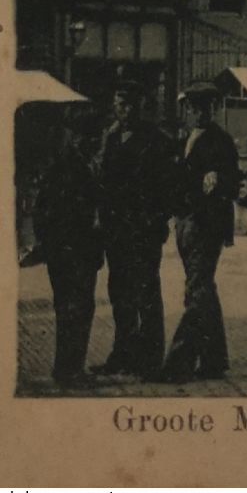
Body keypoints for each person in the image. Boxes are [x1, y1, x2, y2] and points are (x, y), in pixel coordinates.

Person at [93, 76, 176, 378]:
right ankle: (123, 354)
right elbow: (103, 182)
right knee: (120, 294)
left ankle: (151, 360)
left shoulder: (158, 141)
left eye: (127, 105)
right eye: (117, 105)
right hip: (116, 231)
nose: (122, 111)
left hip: (143, 232)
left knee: (146, 294)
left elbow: (168, 190)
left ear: (140, 106)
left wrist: (155, 220)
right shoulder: (111, 138)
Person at [160, 82, 242, 383]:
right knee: (204, 289)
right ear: (187, 110)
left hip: (207, 226)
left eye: (207, 107)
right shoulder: (184, 140)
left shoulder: (222, 142)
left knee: (197, 291)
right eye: (195, 108)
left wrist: (218, 180)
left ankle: (178, 363)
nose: (200, 113)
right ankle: (213, 359)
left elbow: (233, 185)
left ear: (214, 109)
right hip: (186, 224)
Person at [32, 103, 105, 389]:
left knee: (72, 310)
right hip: (72, 253)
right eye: (92, 137)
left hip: (71, 253)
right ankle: (68, 371)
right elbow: (49, 212)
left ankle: (69, 368)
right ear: (79, 138)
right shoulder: (70, 168)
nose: (96, 142)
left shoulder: (74, 165)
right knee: (74, 309)